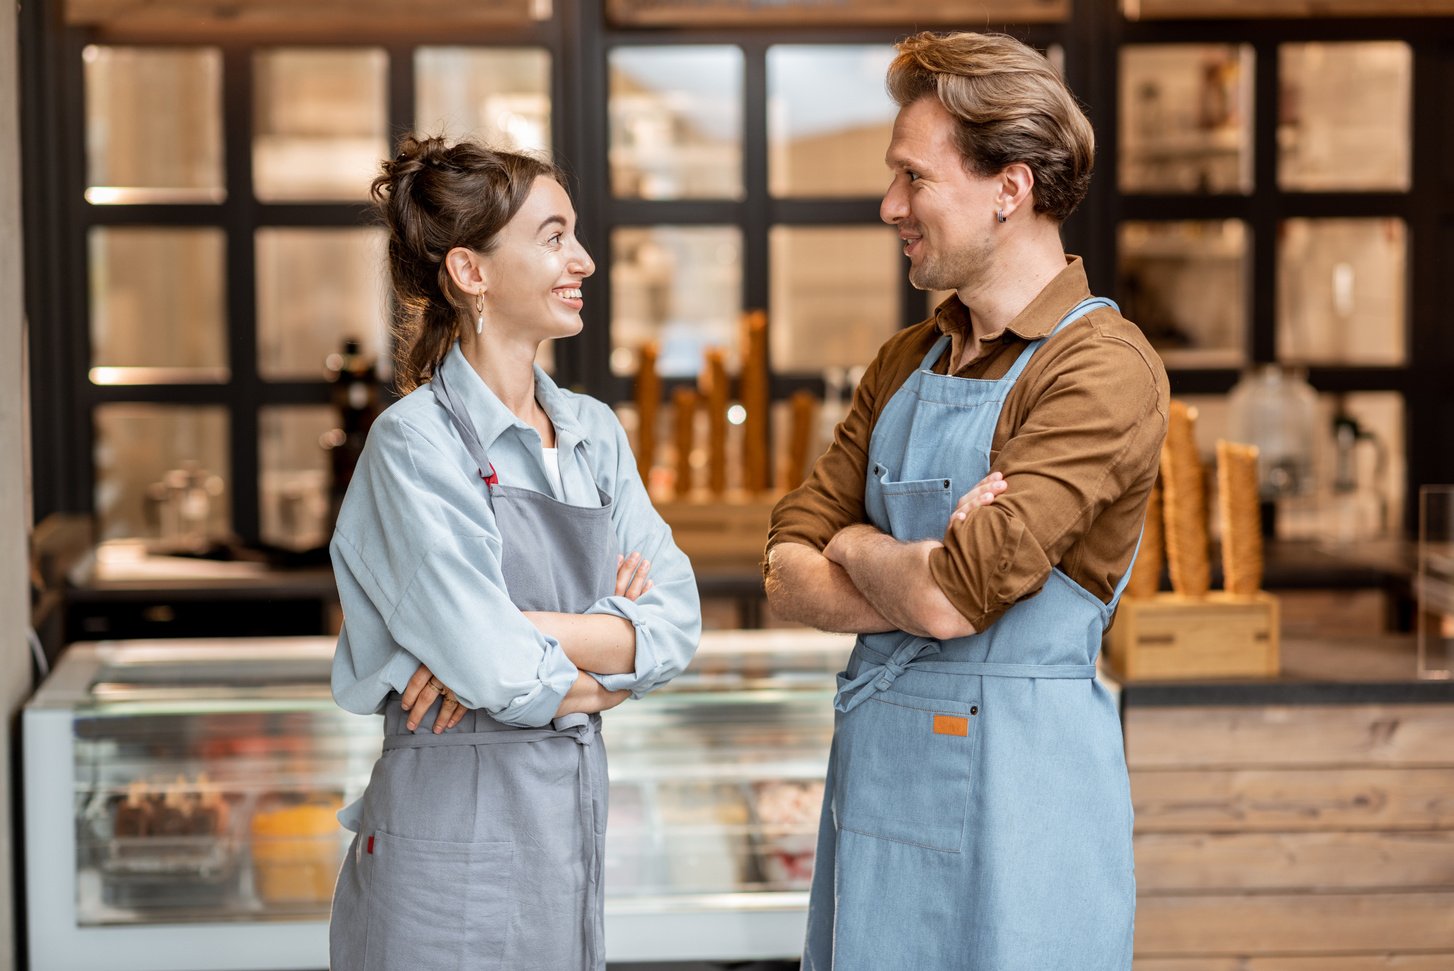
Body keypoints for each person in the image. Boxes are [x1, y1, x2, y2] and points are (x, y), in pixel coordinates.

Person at [764, 31, 1170, 971]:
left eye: (914, 177)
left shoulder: (1100, 368)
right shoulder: (906, 359)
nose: (890, 205)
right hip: (879, 801)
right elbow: (785, 567)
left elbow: (953, 599)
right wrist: (912, 567)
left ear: (1009, 188)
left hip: (1024, 817)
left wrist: (856, 544)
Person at [328, 135, 701, 971]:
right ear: (472, 271)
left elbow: (676, 623)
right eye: (554, 237)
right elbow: (498, 668)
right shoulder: (413, 445)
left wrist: (514, 627)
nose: (585, 260)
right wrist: (614, 662)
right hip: (443, 850)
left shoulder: (592, 433)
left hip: (563, 837)